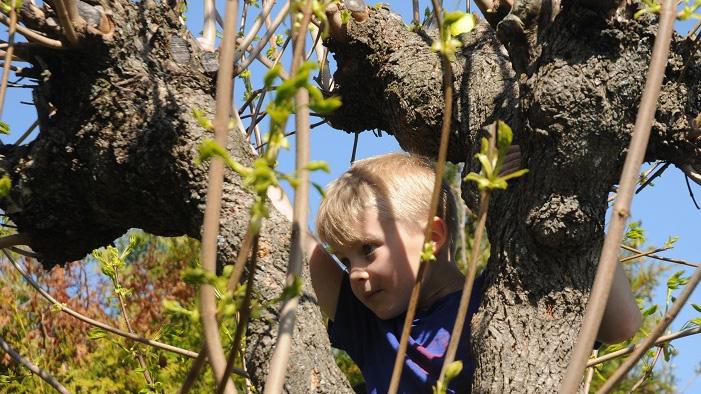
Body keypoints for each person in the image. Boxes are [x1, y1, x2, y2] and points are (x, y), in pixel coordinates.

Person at [269, 151, 642, 393]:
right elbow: (299, 241)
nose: (355, 274)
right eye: (347, 260)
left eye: (368, 250)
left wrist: (568, 216)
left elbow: (621, 325)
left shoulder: (501, 299)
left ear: (433, 237)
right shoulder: (372, 331)